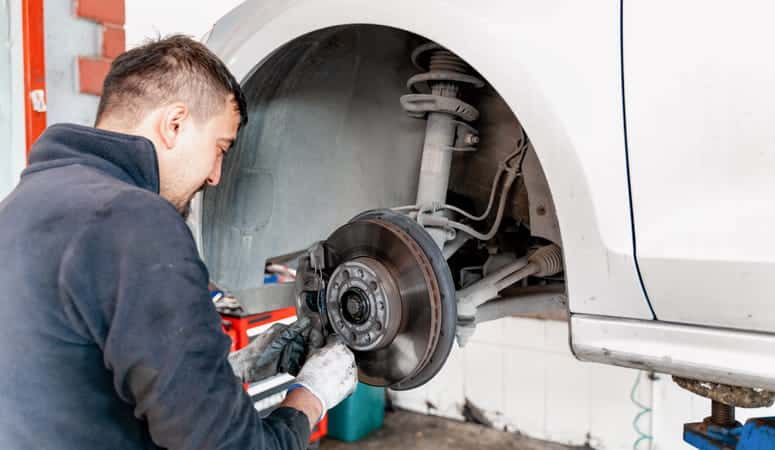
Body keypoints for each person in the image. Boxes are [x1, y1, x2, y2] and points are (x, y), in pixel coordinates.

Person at [0, 35, 357, 449]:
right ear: (174, 124)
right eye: (220, 148)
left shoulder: (21, 204)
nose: (215, 176)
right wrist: (311, 396)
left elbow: (77, 371)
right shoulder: (135, 221)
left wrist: (225, 371)